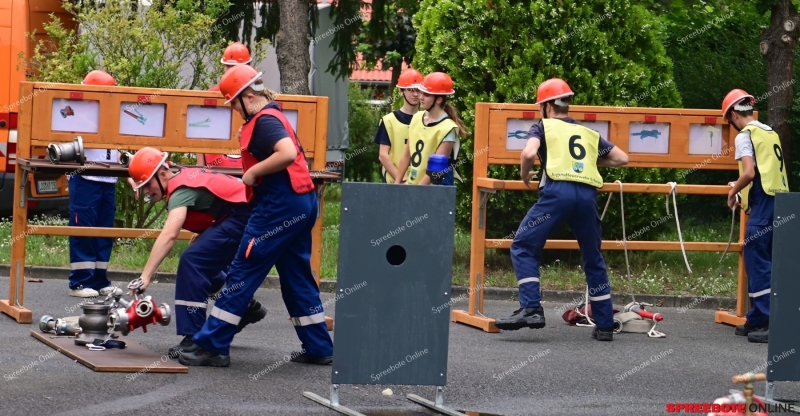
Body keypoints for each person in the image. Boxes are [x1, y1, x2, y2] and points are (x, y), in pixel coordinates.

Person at [180, 65, 334, 367]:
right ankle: (319, 347)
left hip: (279, 207)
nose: (235, 111)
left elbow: (287, 152)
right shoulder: (268, 117)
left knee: (243, 270)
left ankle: (212, 345)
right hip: (302, 202)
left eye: (234, 104)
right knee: (296, 276)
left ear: (247, 96)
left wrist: (251, 173)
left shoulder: (265, 121)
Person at [494, 78, 629, 341]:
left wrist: (524, 177)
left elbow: (528, 154)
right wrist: (586, 161)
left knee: (522, 245)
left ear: (545, 106)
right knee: (593, 257)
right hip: (587, 196)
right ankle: (603, 325)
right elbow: (622, 158)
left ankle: (532, 307)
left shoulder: (542, 126)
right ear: (566, 104)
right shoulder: (588, 133)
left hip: (557, 196)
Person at [126, 147, 268, 355]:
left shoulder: (180, 191)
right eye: (142, 186)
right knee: (201, 259)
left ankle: (193, 336)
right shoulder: (181, 176)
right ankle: (246, 308)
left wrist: (145, 277)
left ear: (163, 174)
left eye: (147, 184)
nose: (146, 191)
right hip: (243, 214)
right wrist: (209, 231)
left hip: (245, 216)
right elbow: (219, 201)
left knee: (192, 262)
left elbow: (169, 235)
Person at [723, 89, 788, 344]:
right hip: (780, 201)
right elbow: (763, 170)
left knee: (757, 259)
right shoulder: (769, 132)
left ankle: (770, 319)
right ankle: (759, 317)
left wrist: (733, 191)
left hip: (764, 204)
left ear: (731, 116)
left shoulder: (744, 135)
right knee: (769, 261)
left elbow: (749, 173)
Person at [67, 70, 124, 298]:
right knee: (83, 230)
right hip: (85, 179)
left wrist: (129, 174)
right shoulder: (77, 114)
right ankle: (80, 282)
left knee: (104, 231)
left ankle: (100, 280)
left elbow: (117, 147)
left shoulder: (112, 114)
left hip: (107, 180)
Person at [394, 72, 470, 185]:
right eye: (421, 93)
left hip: (434, 192)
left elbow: (435, 171)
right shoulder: (416, 117)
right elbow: (406, 154)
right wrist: (397, 183)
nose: (420, 97)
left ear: (439, 100)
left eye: (426, 94)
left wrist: (415, 192)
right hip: (414, 187)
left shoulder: (448, 128)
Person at [197, 41, 253, 169]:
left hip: (247, 166)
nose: (232, 72)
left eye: (236, 68)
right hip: (215, 166)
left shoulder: (257, 97)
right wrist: (200, 168)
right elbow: (200, 131)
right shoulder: (211, 95)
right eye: (229, 67)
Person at [374, 69, 422, 183]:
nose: (415, 94)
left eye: (418, 90)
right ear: (401, 92)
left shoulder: (426, 119)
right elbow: (383, 155)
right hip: (394, 182)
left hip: (419, 182)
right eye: (410, 90)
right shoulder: (388, 121)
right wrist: (399, 179)